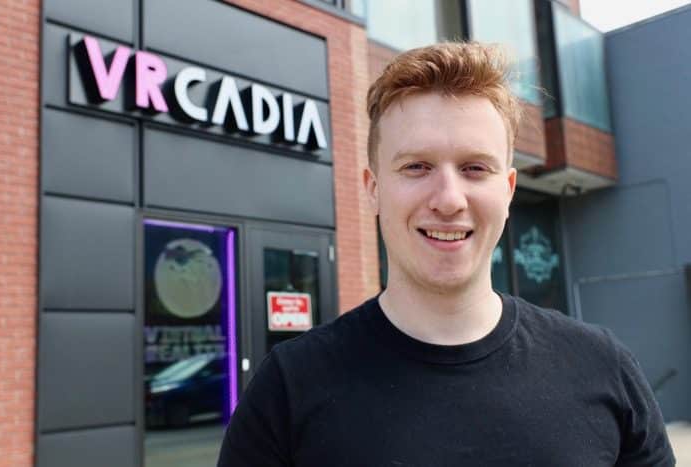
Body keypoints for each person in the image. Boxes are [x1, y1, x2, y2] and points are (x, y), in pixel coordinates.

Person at [217, 42, 675, 466]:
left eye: (475, 168)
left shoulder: (604, 368)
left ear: (508, 190)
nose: (449, 199)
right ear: (373, 189)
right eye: (417, 166)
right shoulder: (288, 389)